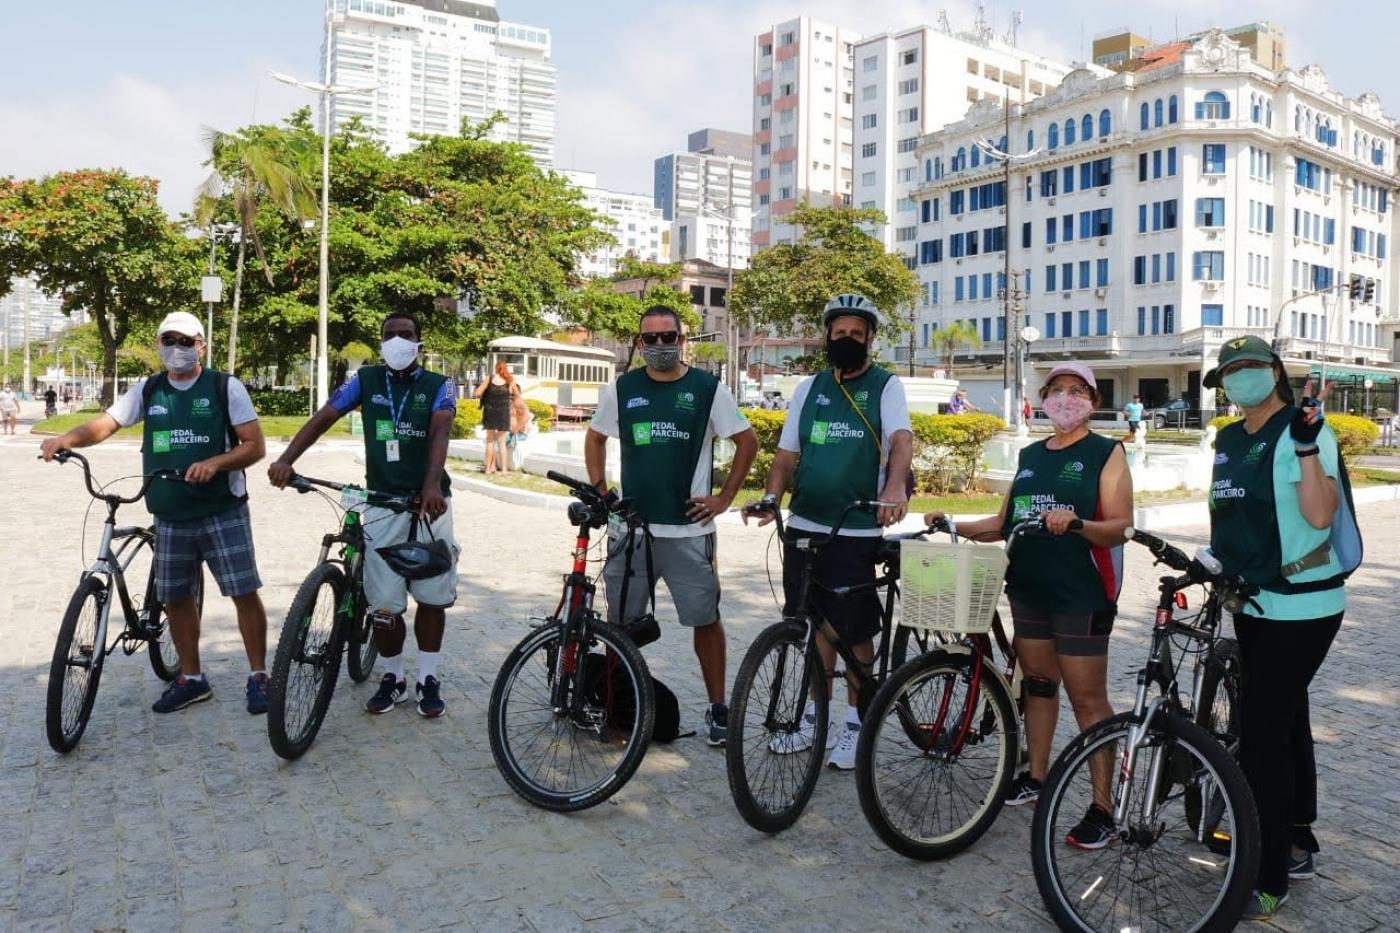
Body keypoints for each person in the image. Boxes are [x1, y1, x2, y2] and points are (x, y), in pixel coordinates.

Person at [927, 362, 1132, 846]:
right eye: (1056, 390)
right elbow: (1003, 522)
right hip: (1028, 588)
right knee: (1039, 686)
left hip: (1080, 591)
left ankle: (1104, 805)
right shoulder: (1030, 454)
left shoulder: (1108, 452)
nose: (1065, 398)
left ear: (1092, 401)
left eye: (1076, 390)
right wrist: (951, 524)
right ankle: (1036, 777)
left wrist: (1078, 523)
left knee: (1087, 700)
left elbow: (1122, 526)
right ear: (1043, 398)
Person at [39, 311, 272, 714]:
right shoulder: (149, 391)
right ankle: (192, 678)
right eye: (169, 340)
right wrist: (66, 438)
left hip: (222, 510)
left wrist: (216, 463)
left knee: (242, 592)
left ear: (202, 346)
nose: (177, 349)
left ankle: (258, 676)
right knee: (176, 598)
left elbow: (254, 445)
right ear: (159, 345)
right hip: (169, 514)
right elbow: (105, 424)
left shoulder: (224, 387)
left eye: (185, 341)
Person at [1203, 336, 1351, 921]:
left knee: (1262, 736)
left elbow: (1319, 515)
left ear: (1274, 372)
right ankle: (1297, 841)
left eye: (1249, 368)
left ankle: (1267, 877)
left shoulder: (1304, 427)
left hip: (1305, 605)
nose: (1239, 380)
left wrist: (1310, 449)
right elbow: (1228, 512)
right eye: (1229, 372)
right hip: (1253, 602)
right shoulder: (1226, 438)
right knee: (1286, 720)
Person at [746, 293, 912, 770]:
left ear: (870, 339)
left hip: (857, 526)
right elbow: (786, 454)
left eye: (856, 335)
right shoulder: (810, 388)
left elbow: (901, 440)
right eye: (839, 334)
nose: (846, 341)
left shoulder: (885, 386)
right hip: (804, 524)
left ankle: (856, 725)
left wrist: (895, 488)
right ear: (827, 336)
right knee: (815, 625)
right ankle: (815, 718)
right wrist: (772, 498)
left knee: (854, 629)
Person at [269, 312, 459, 719]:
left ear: (419, 341)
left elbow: (440, 430)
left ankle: (428, 677)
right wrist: (286, 459)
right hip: (381, 503)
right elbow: (324, 417)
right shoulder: (365, 381)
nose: (397, 341)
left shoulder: (439, 385)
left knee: (431, 597)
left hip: (430, 505)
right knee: (385, 606)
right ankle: (395, 678)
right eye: (389, 335)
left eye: (406, 335)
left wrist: (430, 485)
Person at [586, 305, 758, 747]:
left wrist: (724, 499)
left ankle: (718, 708)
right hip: (633, 532)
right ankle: (619, 713)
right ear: (639, 343)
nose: (660, 346)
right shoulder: (623, 389)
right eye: (651, 339)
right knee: (619, 627)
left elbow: (747, 441)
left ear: (683, 340)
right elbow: (595, 436)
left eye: (669, 338)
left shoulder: (707, 388)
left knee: (706, 620)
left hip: (688, 532)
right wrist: (601, 488)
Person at [474, 362, 518, 474]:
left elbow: (478, 393)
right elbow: (517, 395)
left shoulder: (490, 378)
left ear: (496, 368)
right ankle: (504, 470)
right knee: (502, 442)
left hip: (490, 412)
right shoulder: (510, 380)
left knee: (490, 441)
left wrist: (484, 394)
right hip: (503, 413)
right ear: (506, 369)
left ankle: (488, 469)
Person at [506, 393, 531, 471]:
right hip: (512, 432)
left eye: (512, 394)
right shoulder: (511, 404)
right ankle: (492, 465)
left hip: (519, 433)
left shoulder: (521, 404)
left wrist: (515, 430)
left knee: (499, 441)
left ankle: (492, 466)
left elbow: (527, 417)